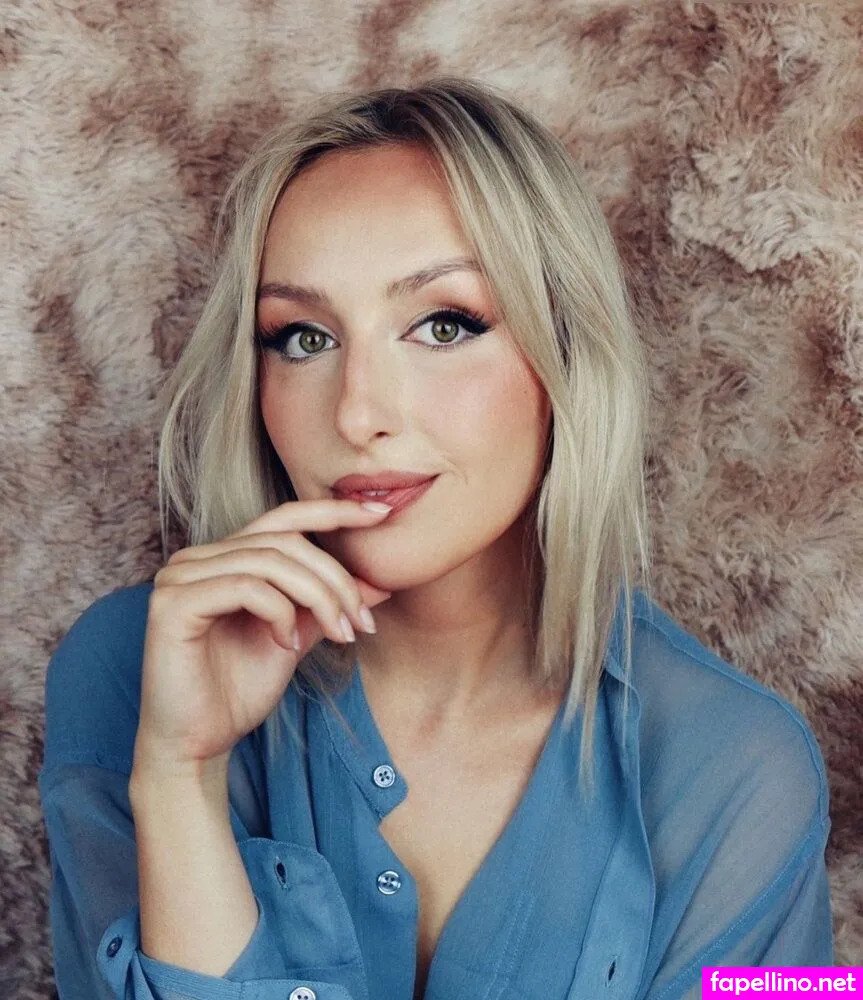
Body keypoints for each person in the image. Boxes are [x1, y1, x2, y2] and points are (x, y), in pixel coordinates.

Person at [38, 78, 833, 1000]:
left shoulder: (740, 767)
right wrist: (181, 779)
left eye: (442, 325)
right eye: (302, 338)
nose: (357, 413)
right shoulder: (135, 672)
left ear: (566, 357)